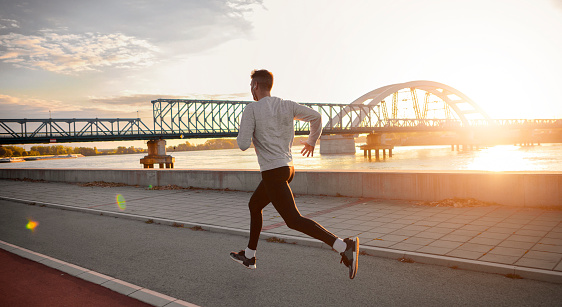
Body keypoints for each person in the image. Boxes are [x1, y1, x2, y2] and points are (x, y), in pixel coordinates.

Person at [230, 69, 359, 279]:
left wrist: (247, 127)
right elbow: (316, 117)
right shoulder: (286, 105)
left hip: (272, 172)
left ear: (255, 86)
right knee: (255, 205)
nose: (251, 90)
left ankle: (343, 246)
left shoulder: (251, 109)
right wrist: (311, 141)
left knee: (293, 220)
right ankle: (250, 256)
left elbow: (243, 144)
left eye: (250, 86)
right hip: (287, 168)